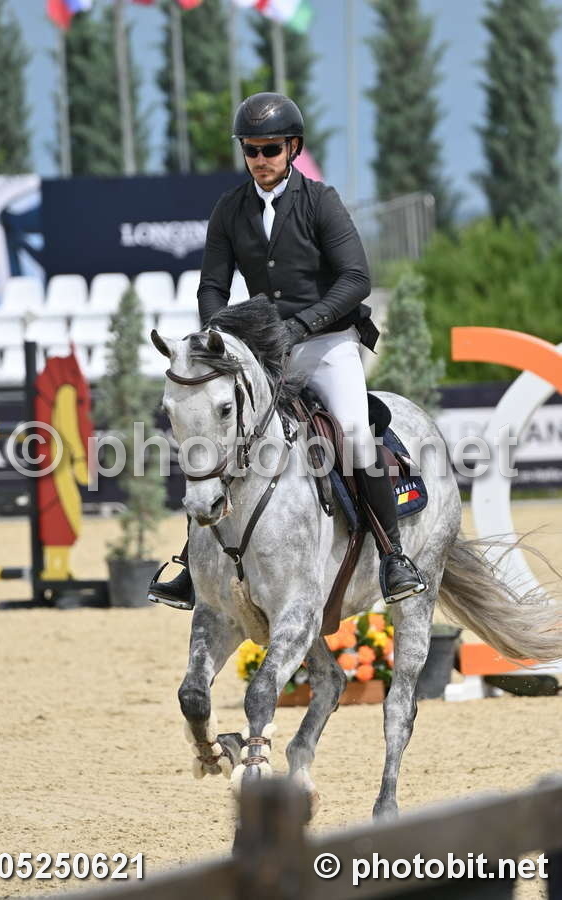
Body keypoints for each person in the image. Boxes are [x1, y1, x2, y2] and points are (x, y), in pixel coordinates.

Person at [149, 92, 426, 610]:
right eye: (251, 150)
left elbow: (356, 278)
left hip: (326, 343)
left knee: (353, 433)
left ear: (293, 148)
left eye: (270, 149)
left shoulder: (320, 201)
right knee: (222, 438)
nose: (260, 159)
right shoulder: (230, 208)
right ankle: (192, 563)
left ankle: (393, 556)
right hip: (262, 353)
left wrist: (302, 325)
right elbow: (212, 285)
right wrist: (221, 337)